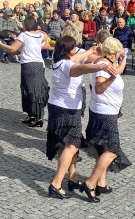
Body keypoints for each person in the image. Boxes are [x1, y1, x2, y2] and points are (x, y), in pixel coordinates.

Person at [46, 36, 115, 199]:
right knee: (72, 147)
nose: (76, 49)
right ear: (68, 49)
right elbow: (82, 68)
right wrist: (101, 66)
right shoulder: (68, 66)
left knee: (69, 145)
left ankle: (72, 179)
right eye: (74, 47)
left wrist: (91, 51)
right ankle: (56, 184)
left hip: (57, 107)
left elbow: (76, 58)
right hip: (67, 110)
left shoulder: (58, 61)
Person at [81, 37, 131, 201]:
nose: (119, 54)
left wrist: (123, 58)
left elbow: (118, 71)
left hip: (103, 110)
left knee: (104, 148)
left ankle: (101, 183)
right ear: (112, 52)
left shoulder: (106, 62)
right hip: (105, 113)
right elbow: (99, 88)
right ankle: (90, 183)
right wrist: (111, 78)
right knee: (111, 151)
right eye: (118, 52)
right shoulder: (104, 68)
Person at [0, 17, 50, 127]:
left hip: (30, 65)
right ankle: (32, 114)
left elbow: (12, 49)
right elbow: (17, 51)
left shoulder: (24, 35)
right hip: (38, 64)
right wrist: (39, 30)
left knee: (33, 90)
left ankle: (38, 117)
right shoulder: (38, 35)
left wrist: (1, 45)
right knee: (29, 89)